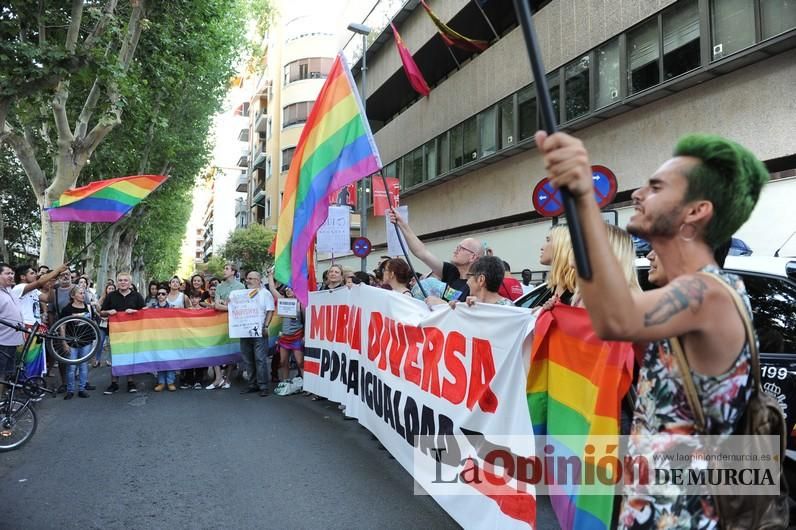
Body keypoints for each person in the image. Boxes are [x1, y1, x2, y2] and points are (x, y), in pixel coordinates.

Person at [536, 129, 768, 528]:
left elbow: (613, 318)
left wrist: (583, 200)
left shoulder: (706, 292)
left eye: (656, 186)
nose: (638, 194)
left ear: (696, 212)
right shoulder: (687, 293)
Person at [388, 207, 483, 301]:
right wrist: (402, 224)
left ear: (473, 257)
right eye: (457, 247)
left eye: (461, 248)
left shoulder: (477, 285)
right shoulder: (451, 272)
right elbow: (422, 252)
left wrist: (441, 304)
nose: (455, 250)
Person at [101, 272, 145, 394]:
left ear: (130, 283)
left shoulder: (137, 296)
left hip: (132, 333)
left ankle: (130, 382)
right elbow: (102, 312)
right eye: (120, 280)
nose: (123, 282)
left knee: (130, 357)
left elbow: (145, 312)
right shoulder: (111, 296)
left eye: (125, 280)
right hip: (115, 333)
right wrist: (108, 312)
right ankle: (114, 383)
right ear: (117, 282)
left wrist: (135, 311)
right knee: (115, 358)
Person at [233, 271, 274, 397]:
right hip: (244, 331)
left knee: (260, 359)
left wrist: (266, 326)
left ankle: (263, 386)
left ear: (258, 280)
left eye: (251, 278)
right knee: (247, 359)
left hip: (259, 331)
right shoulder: (242, 294)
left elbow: (270, 310)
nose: (248, 281)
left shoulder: (265, 294)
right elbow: (233, 307)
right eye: (247, 279)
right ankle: (252, 384)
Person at [267, 270, 305, 388]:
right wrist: (270, 275)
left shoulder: (301, 304)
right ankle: (285, 382)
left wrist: (305, 335)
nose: (289, 290)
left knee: (300, 362)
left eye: (291, 289)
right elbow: (273, 289)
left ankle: (308, 385)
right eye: (287, 289)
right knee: (283, 362)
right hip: (284, 337)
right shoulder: (282, 301)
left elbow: (306, 320)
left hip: (297, 336)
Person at [60, 286, 96, 399]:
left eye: (83, 293)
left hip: (86, 340)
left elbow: (93, 322)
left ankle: (82, 388)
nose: (83, 295)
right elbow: (62, 326)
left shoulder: (88, 307)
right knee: (71, 366)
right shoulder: (67, 309)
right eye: (80, 293)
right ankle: (70, 390)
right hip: (72, 341)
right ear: (73, 295)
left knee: (83, 365)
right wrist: (64, 342)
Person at [0, 263, 23, 388]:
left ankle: (3, 403)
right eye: (7, 273)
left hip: (12, 342)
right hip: (2, 343)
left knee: (6, 375)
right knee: (1, 376)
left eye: (12, 273)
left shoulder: (10, 291)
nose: (11, 276)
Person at [150, 288, 177, 392]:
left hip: (170, 337)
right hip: (157, 337)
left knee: (170, 359)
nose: (160, 295)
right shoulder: (151, 308)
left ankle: (170, 382)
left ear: (166, 295)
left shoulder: (172, 308)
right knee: (159, 359)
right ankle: (161, 382)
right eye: (159, 294)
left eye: (163, 294)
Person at [94, 283, 116, 368]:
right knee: (100, 342)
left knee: (111, 343)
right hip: (103, 324)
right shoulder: (102, 298)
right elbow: (97, 309)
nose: (110, 290)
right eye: (109, 288)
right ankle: (97, 360)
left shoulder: (116, 298)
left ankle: (110, 360)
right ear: (106, 290)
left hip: (113, 324)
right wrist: (101, 316)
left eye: (112, 288)